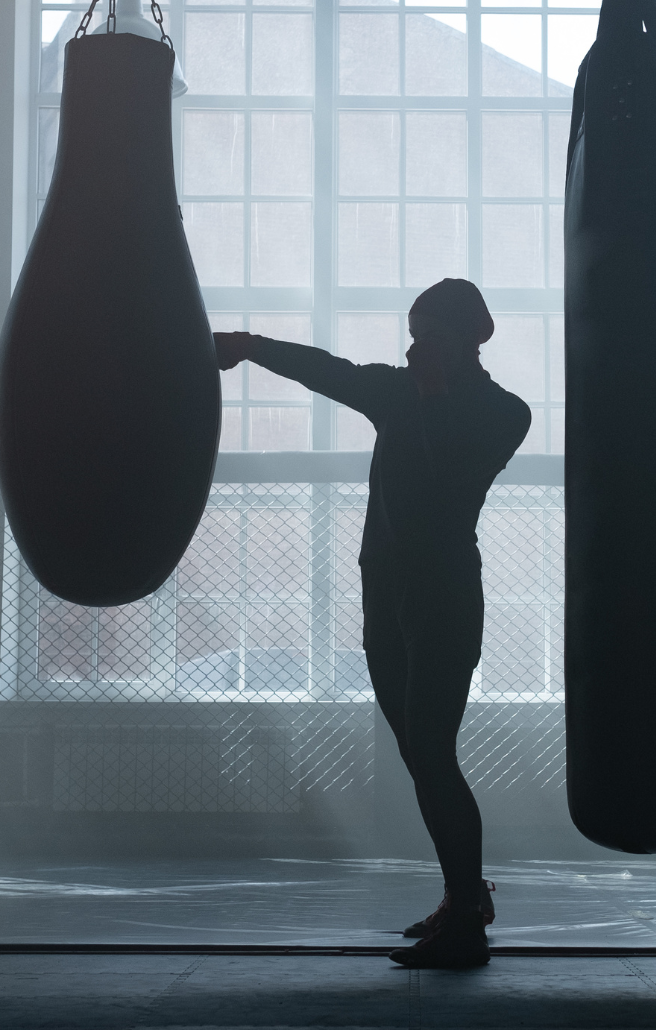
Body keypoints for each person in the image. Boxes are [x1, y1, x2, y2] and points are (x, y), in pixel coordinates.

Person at [214, 278, 530, 969]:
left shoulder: (504, 413)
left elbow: (449, 473)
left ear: (468, 338)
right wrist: (249, 346)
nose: (417, 345)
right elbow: (327, 370)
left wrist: (432, 395)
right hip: (385, 593)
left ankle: (467, 920)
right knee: (422, 756)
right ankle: (466, 896)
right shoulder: (393, 393)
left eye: (431, 334)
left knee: (434, 752)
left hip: (443, 596)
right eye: (415, 332)